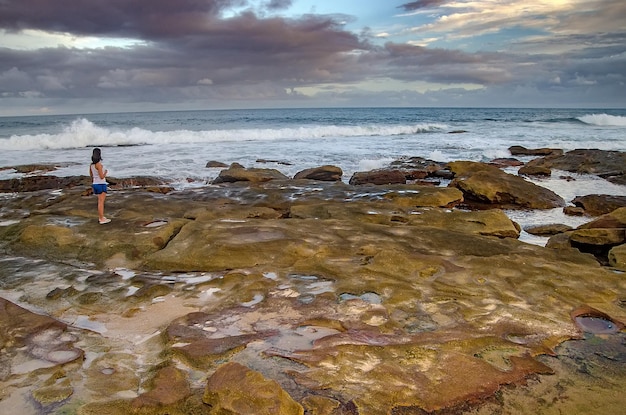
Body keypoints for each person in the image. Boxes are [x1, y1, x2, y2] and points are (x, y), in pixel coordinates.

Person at [89, 148, 111, 224]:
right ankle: (101, 218)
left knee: (99, 201)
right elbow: (102, 176)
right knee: (101, 202)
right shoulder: (99, 165)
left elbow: (91, 175)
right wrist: (105, 172)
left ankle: (101, 217)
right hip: (101, 184)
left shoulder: (91, 165)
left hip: (95, 183)